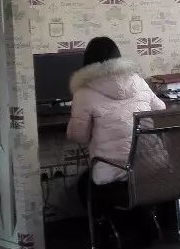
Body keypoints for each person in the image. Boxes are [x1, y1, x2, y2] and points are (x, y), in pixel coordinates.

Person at [66, 37, 166, 216]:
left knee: (82, 184)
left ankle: (105, 227)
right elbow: (161, 109)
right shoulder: (138, 80)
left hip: (116, 175)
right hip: (153, 168)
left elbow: (79, 137)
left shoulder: (83, 93)